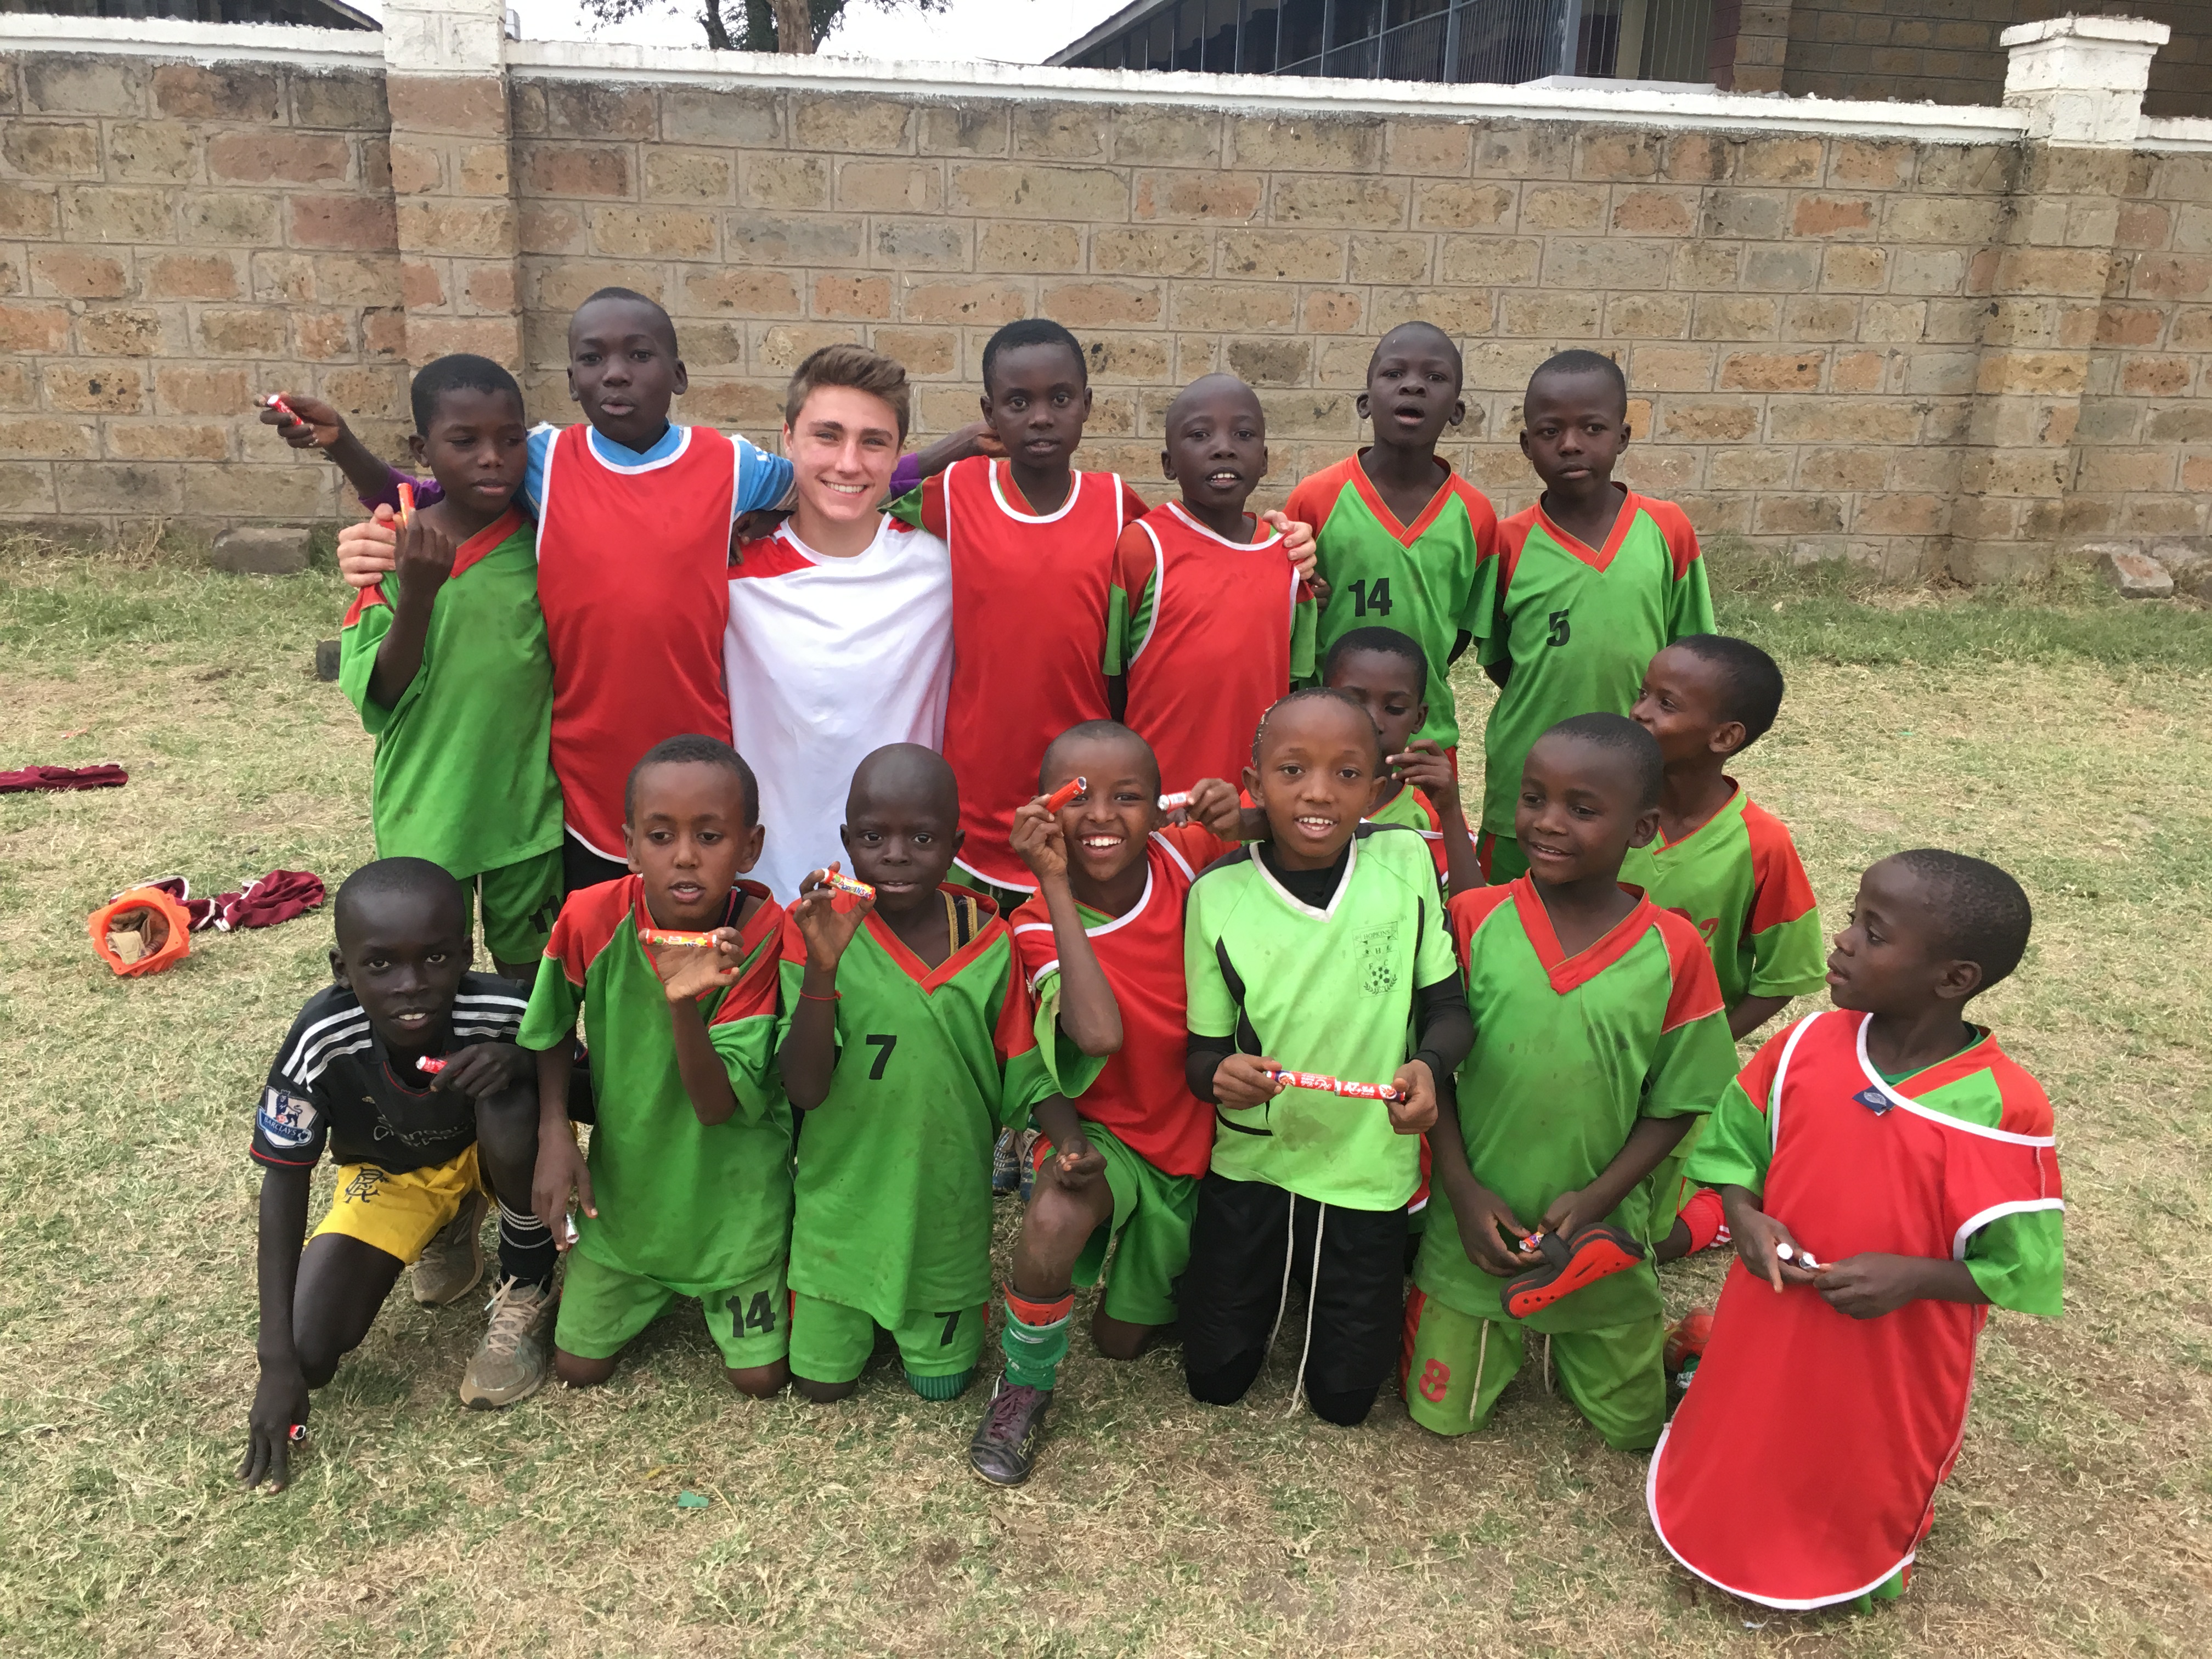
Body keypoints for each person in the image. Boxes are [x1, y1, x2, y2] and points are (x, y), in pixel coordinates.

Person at [1649, 851, 2062, 1613]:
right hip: (1771, 1311)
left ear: (1954, 979)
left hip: (1894, 1352)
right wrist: (1743, 1215)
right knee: (1756, 1420)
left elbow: (2019, 1267)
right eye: (1853, 918)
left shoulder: (2005, 1107)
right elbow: (1734, 1148)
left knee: (1856, 1452)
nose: (1841, 940)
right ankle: (1727, 1521)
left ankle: (1857, 1558)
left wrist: (1913, 1277)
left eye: (1874, 934)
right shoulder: (1805, 1045)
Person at [299, 288, 797, 893]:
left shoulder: (730, 463)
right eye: (592, 359)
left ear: (680, 375)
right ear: (571, 379)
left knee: (692, 916)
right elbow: (442, 488)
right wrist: (350, 458)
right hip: (580, 772)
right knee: (597, 932)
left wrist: (761, 521)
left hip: (698, 744)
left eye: (639, 356)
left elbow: (825, 488)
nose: (615, 373)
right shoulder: (543, 458)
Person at [1403, 714, 1737, 1451]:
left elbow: (1681, 1101)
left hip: (1601, 1234)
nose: (1547, 824)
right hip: (1471, 1231)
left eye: (1582, 810)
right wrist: (1460, 1190)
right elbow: (1436, 1072)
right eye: (1532, 799)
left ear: (1642, 828)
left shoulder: (1674, 950)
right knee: (1437, 1419)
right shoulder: (1472, 920)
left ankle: (1683, 1344)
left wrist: (1598, 1198)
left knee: (1636, 1430)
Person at [1180, 689, 1472, 1426]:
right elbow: (1203, 1055)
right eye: (1292, 771)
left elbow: (1448, 1012)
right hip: (1255, 1158)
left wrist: (1429, 1068)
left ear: (1376, 793)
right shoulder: (1217, 895)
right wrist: (1220, 1078)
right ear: (1255, 785)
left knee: (1345, 1400)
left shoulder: (1405, 865)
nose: (1317, 792)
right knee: (1215, 1380)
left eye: (1346, 775)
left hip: (1367, 1162)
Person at [969, 723, 1246, 1484]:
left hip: (1212, 1134)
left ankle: (1176, 1283)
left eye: (1128, 798)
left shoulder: (1187, 858)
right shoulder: (1030, 922)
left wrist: (1241, 817)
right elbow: (1098, 1031)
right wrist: (1054, 883)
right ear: (1043, 810)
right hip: (1115, 1140)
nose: (1100, 817)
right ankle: (1023, 1384)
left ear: (1162, 810)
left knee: (1123, 1339)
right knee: (1055, 1214)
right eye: (1077, 798)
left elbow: (1293, 840)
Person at [238, 859, 554, 1492]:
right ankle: (449, 1224)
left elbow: (587, 1085)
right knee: (309, 1354)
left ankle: (529, 1278)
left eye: (436, 959)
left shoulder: (508, 1008)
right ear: (341, 970)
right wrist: (275, 1363)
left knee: (513, 1099)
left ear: (466, 954)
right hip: (392, 1173)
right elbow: (284, 1179)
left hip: (498, 1156)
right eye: (380, 965)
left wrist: (518, 1060)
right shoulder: (322, 1035)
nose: (411, 984)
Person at [777, 744, 1077, 1404]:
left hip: (946, 1222)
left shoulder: (987, 942)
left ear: (956, 844)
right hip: (841, 1220)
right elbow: (804, 1089)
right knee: (818, 1386)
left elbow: (1023, 1071)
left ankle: (939, 1308)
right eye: (873, 836)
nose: (896, 854)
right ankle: (835, 1300)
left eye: (922, 837)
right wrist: (823, 968)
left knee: (941, 1387)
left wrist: (1069, 1141)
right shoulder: (812, 931)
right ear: (845, 841)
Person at [520, 736, 793, 1397]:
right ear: (630, 845)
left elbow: (715, 1105)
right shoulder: (591, 916)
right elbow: (550, 1025)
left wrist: (683, 1000)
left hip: (734, 1209)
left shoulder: (764, 936)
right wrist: (555, 1130)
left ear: (750, 847)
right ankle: (616, 1280)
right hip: (628, 1205)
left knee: (760, 1379)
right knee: (578, 1369)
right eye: (661, 835)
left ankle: (757, 1267)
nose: (686, 856)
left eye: (710, 835)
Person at [338, 353, 561, 981]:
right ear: (423, 447)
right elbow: (380, 696)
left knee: (531, 977)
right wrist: (418, 593)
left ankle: (524, 1076)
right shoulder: (389, 553)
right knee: (432, 979)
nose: (493, 458)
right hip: (428, 816)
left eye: (511, 440)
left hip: (529, 816)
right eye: (465, 441)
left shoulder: (546, 543)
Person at [724, 345, 957, 902]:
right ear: (788, 439)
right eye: (826, 436)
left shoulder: (945, 568)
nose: (849, 463)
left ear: (899, 451)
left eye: (873, 441)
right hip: (765, 894)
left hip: (900, 897)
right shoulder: (728, 571)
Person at [1472, 349, 1715, 884]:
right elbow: (1500, 662)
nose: (1571, 444)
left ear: (1623, 437)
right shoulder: (1508, 543)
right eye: (1550, 431)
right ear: (1526, 444)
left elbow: (1693, 658)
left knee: (1620, 919)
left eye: (1593, 428)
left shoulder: (1667, 529)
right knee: (1507, 918)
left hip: (1634, 774)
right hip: (1527, 778)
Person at [1627, 634, 1827, 1266]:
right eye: (1642, 692)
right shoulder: (1607, 806)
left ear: (1724, 737)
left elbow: (1785, 975)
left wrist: (1699, 1043)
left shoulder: (1761, 845)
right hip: (1587, 1040)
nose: (1639, 712)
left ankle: (1713, 1213)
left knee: (1639, 1241)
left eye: (1665, 702)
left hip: (1677, 1070)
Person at [1286, 321, 1498, 764]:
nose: (1414, 387)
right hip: (1325, 728)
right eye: (1394, 374)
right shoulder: (1316, 498)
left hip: (1425, 736)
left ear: (1456, 412)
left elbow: (1460, 631)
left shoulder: (1476, 515)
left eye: (1434, 378)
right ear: (1365, 404)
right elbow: (1295, 611)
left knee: (1417, 834)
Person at [1111, 374, 1318, 794]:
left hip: (1255, 807)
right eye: (1200, 434)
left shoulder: (1288, 558)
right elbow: (1112, 677)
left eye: (1243, 434)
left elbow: (1294, 690)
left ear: (1263, 459)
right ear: (1169, 464)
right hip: (1164, 802)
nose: (1223, 447)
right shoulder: (1143, 547)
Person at [1322, 626, 1482, 900]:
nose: (1373, 721)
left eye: (1394, 709)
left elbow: (1471, 913)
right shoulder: (1280, 789)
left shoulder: (1430, 817)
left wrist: (1451, 812)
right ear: (1321, 702)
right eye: (1353, 702)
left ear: (1419, 719)